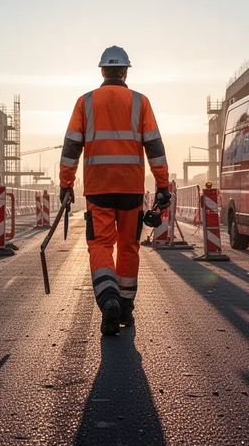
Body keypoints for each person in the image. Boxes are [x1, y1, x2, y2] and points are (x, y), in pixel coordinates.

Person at [59, 46, 171, 336]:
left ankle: (108, 298)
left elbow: (71, 146)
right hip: (131, 189)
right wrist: (162, 185)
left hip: (97, 189)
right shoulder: (140, 102)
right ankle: (124, 307)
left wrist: (66, 184)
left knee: (100, 245)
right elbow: (155, 147)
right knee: (129, 246)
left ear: (102, 71)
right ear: (125, 72)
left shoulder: (85, 102)